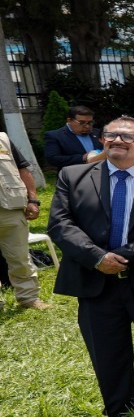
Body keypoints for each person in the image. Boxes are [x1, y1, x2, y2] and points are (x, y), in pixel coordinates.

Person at [47, 115, 134, 417]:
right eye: (111, 135)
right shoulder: (73, 176)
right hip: (96, 279)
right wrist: (97, 257)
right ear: (102, 140)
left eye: (128, 137)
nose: (117, 141)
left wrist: (124, 256)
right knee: (107, 350)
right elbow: (60, 224)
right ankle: (119, 409)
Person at [0, 127, 48, 310]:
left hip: (10, 208)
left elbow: (22, 169)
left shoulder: (3, 138)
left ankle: (29, 298)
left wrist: (33, 200)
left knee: (20, 257)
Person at [43, 105, 101, 170]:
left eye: (90, 122)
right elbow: (52, 159)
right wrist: (83, 157)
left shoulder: (98, 133)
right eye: (82, 122)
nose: (87, 126)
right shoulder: (56, 136)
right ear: (69, 120)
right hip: (74, 176)